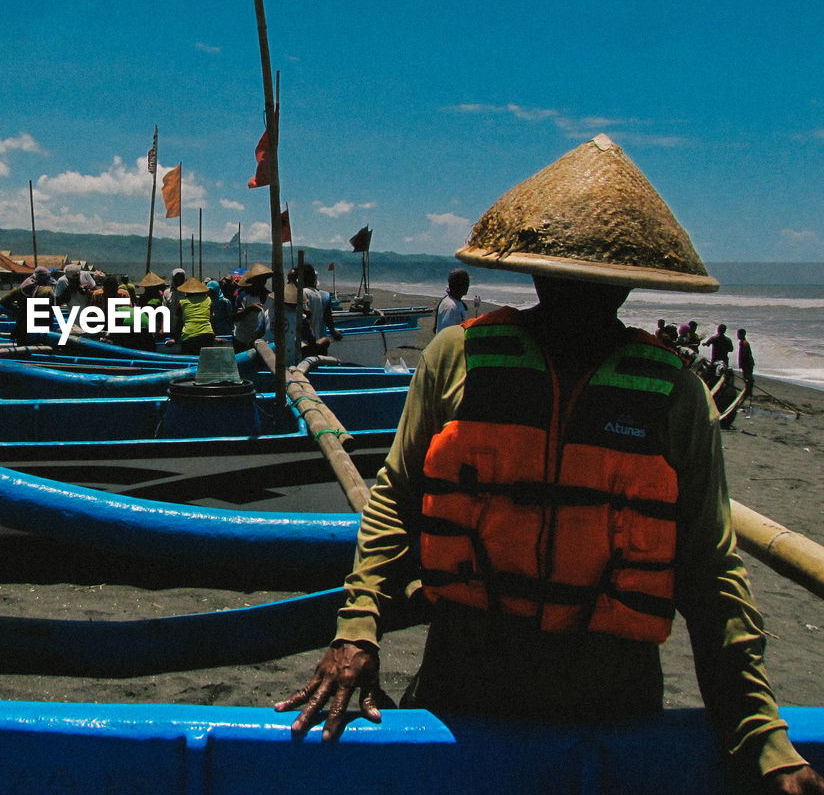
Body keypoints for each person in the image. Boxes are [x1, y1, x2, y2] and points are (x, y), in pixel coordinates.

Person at [274, 135, 821, 794]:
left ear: (627, 283)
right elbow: (397, 497)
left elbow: (709, 571)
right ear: (536, 273)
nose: (583, 294)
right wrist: (359, 628)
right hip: (465, 680)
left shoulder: (673, 393)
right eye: (570, 277)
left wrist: (761, 737)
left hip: (610, 700)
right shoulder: (457, 358)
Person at [175, 276, 216, 354]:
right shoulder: (208, 300)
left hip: (189, 336)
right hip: (207, 335)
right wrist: (214, 336)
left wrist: (175, 338)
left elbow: (179, 323)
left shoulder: (181, 302)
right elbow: (211, 320)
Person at [434, 268, 470, 333]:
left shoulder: (455, 302)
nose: (467, 286)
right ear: (457, 285)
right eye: (465, 283)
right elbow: (447, 333)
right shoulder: (451, 307)